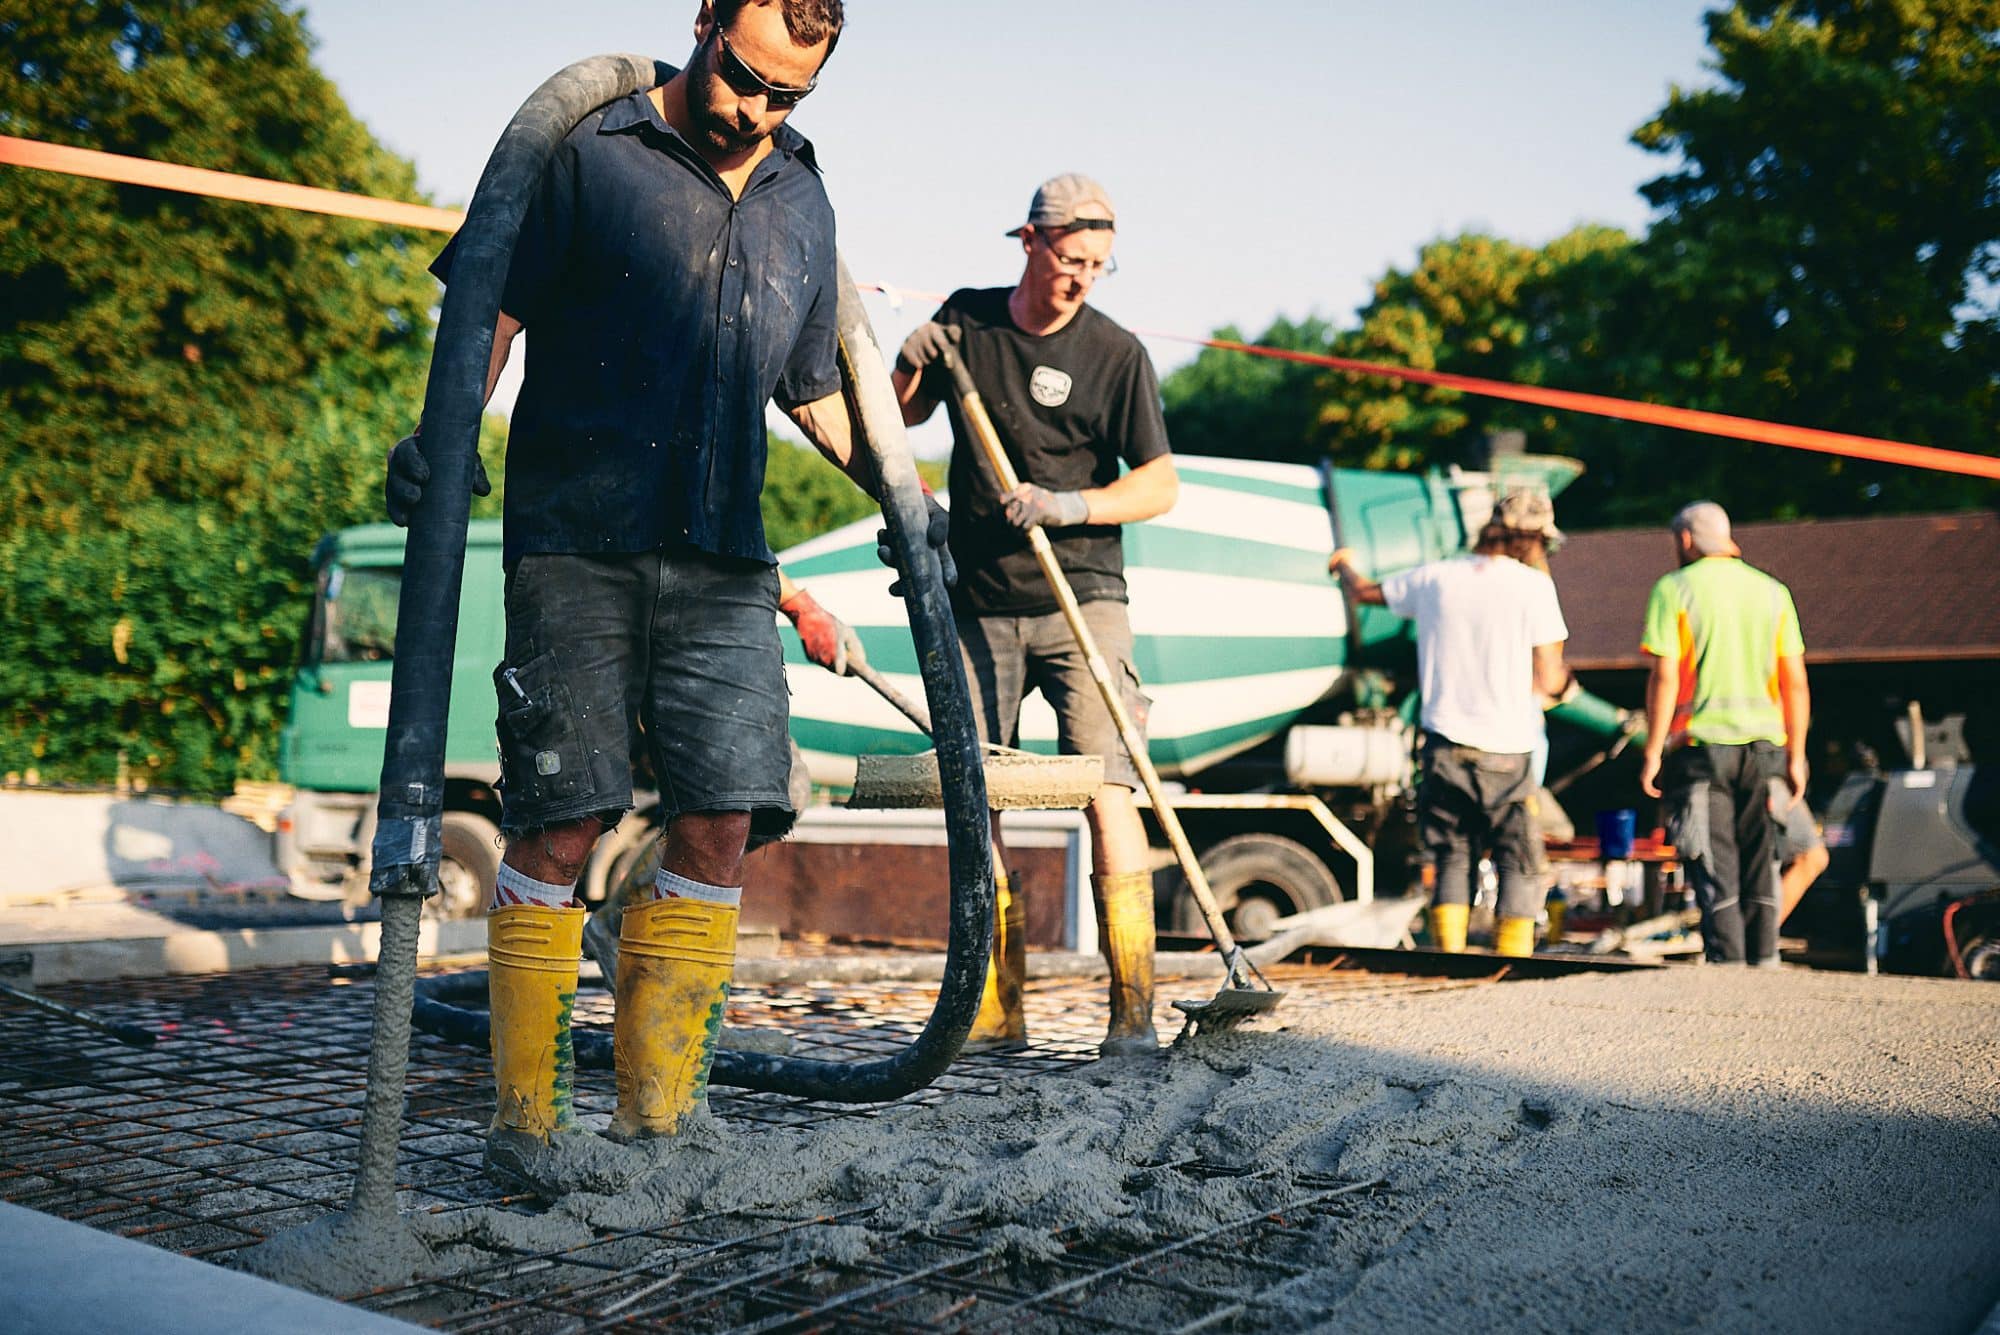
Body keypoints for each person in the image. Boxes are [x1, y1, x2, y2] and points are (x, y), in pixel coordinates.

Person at [385, 0, 946, 1187]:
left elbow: (812, 390)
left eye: (788, 95)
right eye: (744, 76)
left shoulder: (800, 195)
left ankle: (659, 1117)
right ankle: (527, 1128)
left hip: (724, 558)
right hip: (574, 543)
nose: (757, 110)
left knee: (723, 819)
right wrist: (442, 429)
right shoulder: (588, 152)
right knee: (560, 821)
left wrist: (905, 495)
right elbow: (491, 309)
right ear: (702, 20)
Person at [889, 174, 1179, 1057]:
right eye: (1071, 259)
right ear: (1029, 242)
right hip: (978, 600)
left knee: (1106, 786)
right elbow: (893, 424)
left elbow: (1159, 484)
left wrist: (1070, 505)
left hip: (1083, 595)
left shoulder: (1116, 352)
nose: (1082, 277)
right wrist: (909, 361)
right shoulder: (968, 322)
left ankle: (1131, 1015)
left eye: (1099, 264)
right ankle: (995, 1012)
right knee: (980, 797)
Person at [1330, 491, 1574, 957]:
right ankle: (1513, 966)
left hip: (1443, 744)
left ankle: (1450, 960)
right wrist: (1562, 688)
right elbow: (1549, 677)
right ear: (1532, 540)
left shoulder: (1435, 578)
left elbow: (1363, 592)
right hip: (1507, 749)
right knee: (1518, 859)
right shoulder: (1536, 588)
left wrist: (1344, 564)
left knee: (1451, 856)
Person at [1638, 501, 1810, 967]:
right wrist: (1796, 755)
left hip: (1701, 751)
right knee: (1762, 862)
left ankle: (1728, 972)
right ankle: (1764, 966)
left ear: (1686, 539)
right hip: (1765, 751)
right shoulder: (1772, 592)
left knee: (1716, 866)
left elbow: (1665, 678)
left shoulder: (1675, 589)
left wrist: (1652, 751)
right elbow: (1794, 682)